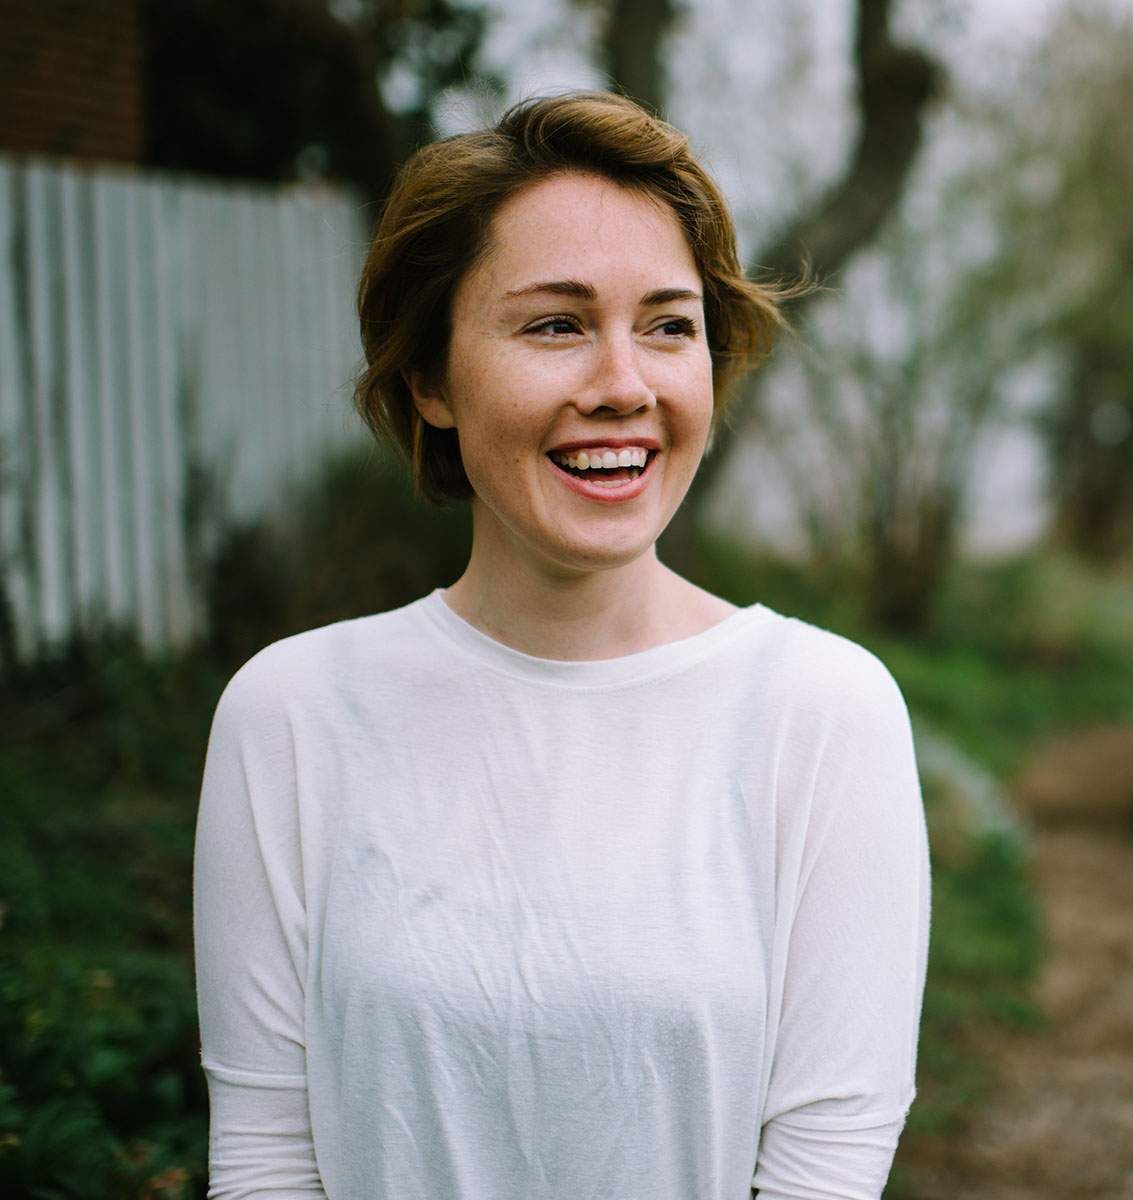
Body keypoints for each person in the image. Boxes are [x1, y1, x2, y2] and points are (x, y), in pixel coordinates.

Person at [193, 90, 931, 1200]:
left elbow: (828, 1165)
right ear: (431, 379)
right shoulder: (291, 713)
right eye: (556, 323)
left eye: (669, 325)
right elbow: (265, 1158)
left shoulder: (823, 712)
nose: (624, 386)